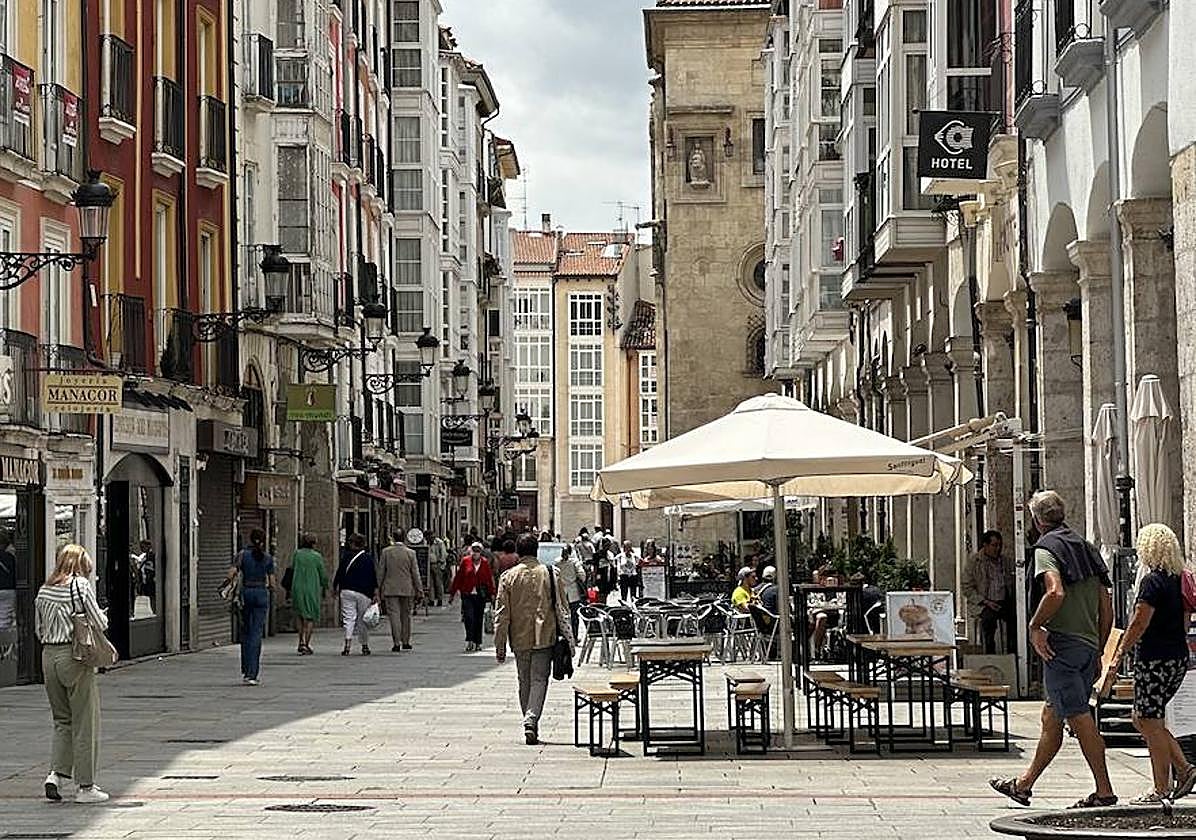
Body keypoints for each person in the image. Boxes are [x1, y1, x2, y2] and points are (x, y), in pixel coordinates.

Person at [990, 490, 1116, 809]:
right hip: (1087, 646)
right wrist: (1098, 649)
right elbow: (1107, 607)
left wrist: (1034, 627)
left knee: (1079, 717)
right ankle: (1024, 784)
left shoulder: (1047, 548)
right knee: (1052, 716)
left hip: (1062, 646)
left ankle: (1104, 791)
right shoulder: (1087, 548)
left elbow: (1055, 592)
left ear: (1035, 520)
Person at [1109, 524, 1196, 804]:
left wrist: (1120, 652)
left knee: (1149, 720)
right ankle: (1182, 770)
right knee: (1143, 718)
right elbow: (1184, 623)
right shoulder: (1179, 579)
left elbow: (1139, 621)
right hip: (1176, 657)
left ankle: (1165, 785)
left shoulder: (1152, 582)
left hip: (1155, 659)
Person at [35, 544, 109, 804]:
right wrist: (102, 617)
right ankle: (86, 787)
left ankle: (55, 775)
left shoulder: (44, 589)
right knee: (85, 721)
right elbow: (100, 623)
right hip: (74, 656)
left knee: (61, 719)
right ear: (80, 565)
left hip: (48, 657)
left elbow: (38, 627)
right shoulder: (79, 586)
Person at [494, 533, 575, 745]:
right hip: (544, 635)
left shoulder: (508, 577)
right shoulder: (550, 573)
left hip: (519, 637)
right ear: (536, 550)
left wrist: (499, 644)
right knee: (539, 679)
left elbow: (501, 614)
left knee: (524, 680)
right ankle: (531, 719)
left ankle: (529, 720)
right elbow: (563, 607)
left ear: (518, 553)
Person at [224, 528, 275, 685]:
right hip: (261, 594)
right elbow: (272, 583)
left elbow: (230, 574)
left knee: (245, 633)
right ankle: (253, 673)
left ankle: (246, 670)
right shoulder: (267, 558)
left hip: (245, 594)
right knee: (256, 634)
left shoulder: (242, 555)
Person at [962, 529, 1016, 654]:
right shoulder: (974, 562)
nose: (997, 549)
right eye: (994, 545)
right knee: (988, 622)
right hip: (983, 603)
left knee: (1015, 620)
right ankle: (989, 655)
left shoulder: (1006, 562)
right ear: (985, 545)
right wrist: (985, 601)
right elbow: (967, 587)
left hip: (1003, 601)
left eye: (999, 545)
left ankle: (1013, 654)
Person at [376, 530, 423, 653]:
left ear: (393, 538)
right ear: (404, 538)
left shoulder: (386, 552)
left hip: (390, 589)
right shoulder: (411, 553)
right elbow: (415, 573)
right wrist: (419, 590)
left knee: (394, 616)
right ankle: (406, 641)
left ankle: (396, 642)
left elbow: (381, 572)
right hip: (407, 589)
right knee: (406, 616)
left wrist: (378, 588)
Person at [332, 533, 378, 657]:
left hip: (346, 590)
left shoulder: (345, 557)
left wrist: (335, 587)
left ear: (352, 544)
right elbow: (373, 576)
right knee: (362, 619)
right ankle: (364, 645)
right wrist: (375, 591)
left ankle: (347, 644)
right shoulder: (368, 558)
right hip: (364, 592)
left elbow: (340, 573)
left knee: (348, 618)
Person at [449, 541, 496, 652]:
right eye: (474, 551)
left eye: (478, 551)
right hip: (467, 594)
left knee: (478, 619)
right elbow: (458, 578)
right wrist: (452, 593)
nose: (475, 553)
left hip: (480, 595)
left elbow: (489, 579)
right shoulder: (465, 562)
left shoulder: (484, 563)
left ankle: (478, 642)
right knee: (469, 618)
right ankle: (470, 640)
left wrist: (493, 593)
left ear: (481, 552)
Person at [288, 534, 329, 655]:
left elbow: (292, 568)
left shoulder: (297, 554)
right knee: (310, 617)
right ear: (314, 544)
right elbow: (322, 573)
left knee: (300, 614)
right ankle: (306, 643)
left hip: (297, 587)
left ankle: (300, 641)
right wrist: (325, 586)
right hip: (311, 588)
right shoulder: (317, 556)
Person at [556, 544, 588, 639]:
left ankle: (565, 635)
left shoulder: (557, 563)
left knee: (563, 616)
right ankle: (574, 635)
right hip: (573, 593)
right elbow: (582, 575)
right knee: (574, 616)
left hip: (561, 593)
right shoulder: (574, 562)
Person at [428, 534, 448, 607]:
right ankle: (431, 600)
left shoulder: (439, 543)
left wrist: (441, 562)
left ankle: (440, 599)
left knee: (438, 583)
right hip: (428, 565)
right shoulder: (425, 542)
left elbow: (443, 554)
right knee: (430, 583)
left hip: (437, 564)